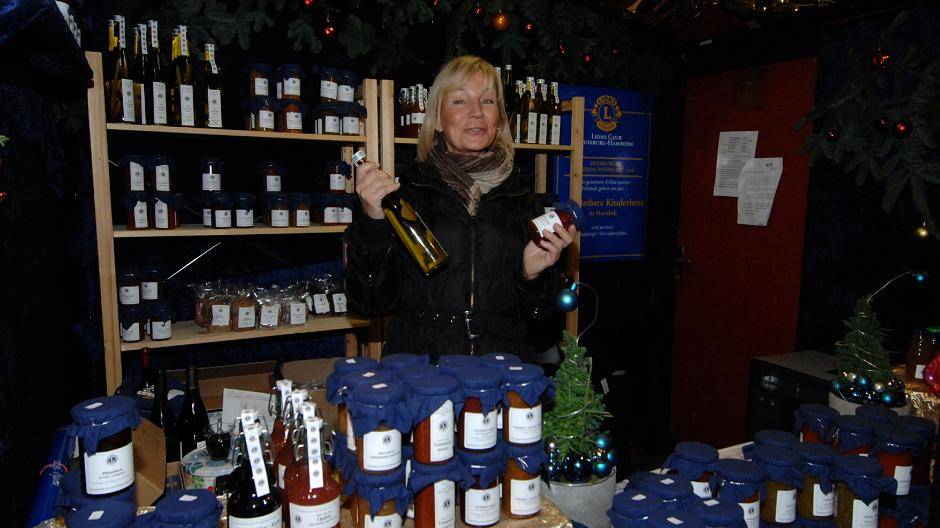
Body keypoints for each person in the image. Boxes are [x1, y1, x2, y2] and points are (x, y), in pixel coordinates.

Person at [344, 55, 575, 361]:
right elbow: (369, 303)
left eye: (488, 101)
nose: (476, 112)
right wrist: (374, 221)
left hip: (500, 372)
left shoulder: (525, 201)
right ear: (438, 119)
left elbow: (543, 325)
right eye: (459, 101)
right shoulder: (406, 195)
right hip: (424, 373)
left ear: (499, 119)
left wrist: (531, 277)